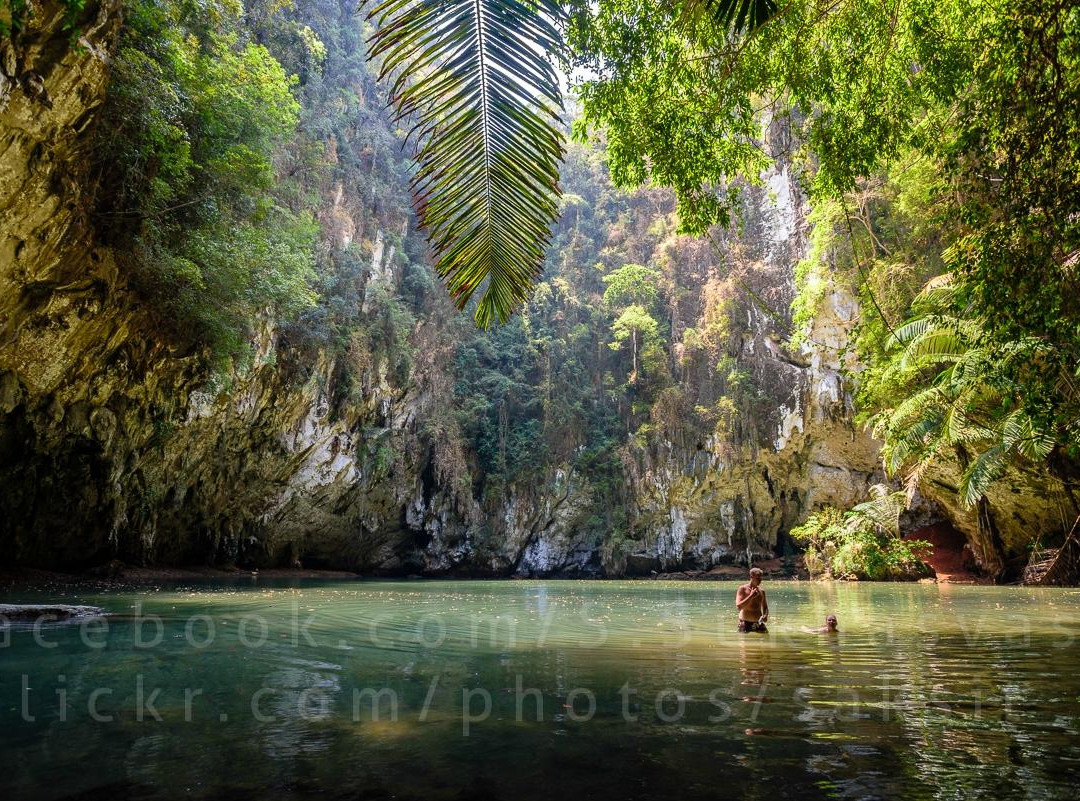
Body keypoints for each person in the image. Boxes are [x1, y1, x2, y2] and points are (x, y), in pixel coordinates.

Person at [735, 567, 769, 633]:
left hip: (758, 623)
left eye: (760, 578)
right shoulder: (743, 589)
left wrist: (765, 616)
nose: (760, 580)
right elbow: (739, 606)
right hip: (745, 622)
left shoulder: (762, 591)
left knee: (766, 639)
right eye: (757, 578)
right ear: (751, 577)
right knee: (744, 643)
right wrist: (751, 596)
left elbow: (765, 607)